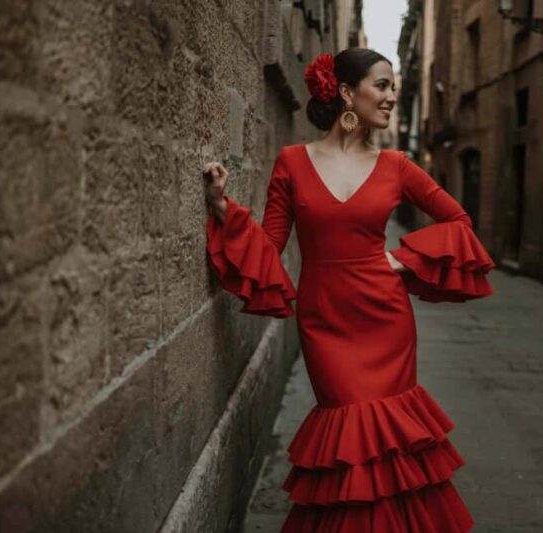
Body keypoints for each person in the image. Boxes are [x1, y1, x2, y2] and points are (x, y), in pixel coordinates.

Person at [203, 47, 495, 532]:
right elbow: (270, 244)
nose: (392, 97)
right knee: (350, 439)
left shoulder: (398, 165)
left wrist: (401, 261)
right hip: (325, 321)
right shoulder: (292, 162)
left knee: (385, 446)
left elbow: (458, 221)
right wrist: (223, 210)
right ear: (345, 91)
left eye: (394, 87)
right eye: (382, 85)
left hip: (386, 319)